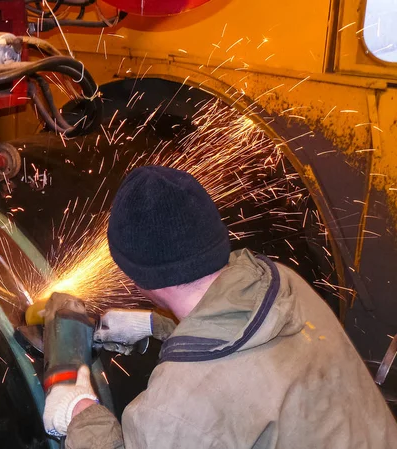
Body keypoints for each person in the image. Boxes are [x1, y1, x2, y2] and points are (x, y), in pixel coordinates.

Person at [43, 166, 397, 448]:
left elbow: (206, 396)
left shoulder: (171, 412)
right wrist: (157, 325)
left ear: (136, 279)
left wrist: (80, 412)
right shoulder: (281, 281)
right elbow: (244, 354)